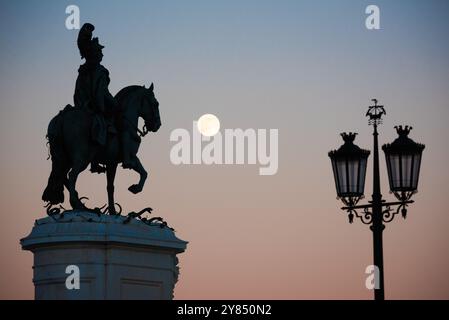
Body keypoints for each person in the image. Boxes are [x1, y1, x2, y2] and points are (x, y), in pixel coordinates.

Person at [74, 23, 118, 173]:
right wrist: (112, 104)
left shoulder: (84, 70)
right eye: (100, 51)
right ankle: (100, 157)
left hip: (81, 104)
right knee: (110, 125)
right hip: (93, 105)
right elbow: (101, 93)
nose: (102, 54)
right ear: (95, 53)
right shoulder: (100, 71)